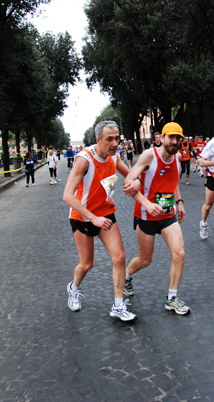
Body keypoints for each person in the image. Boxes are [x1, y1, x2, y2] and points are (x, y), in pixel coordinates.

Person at [62, 120, 139, 322]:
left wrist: (136, 181)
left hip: (106, 214)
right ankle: (74, 288)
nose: (115, 144)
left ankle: (119, 305)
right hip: (83, 216)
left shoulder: (114, 157)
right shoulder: (84, 159)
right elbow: (68, 196)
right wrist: (92, 218)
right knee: (87, 264)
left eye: (117, 139)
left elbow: (130, 175)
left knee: (120, 257)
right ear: (98, 140)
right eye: (109, 139)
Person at [122, 122, 190, 315]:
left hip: (168, 214)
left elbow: (174, 181)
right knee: (145, 260)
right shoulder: (149, 155)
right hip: (146, 215)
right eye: (172, 137)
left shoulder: (176, 158)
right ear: (162, 138)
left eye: (179, 138)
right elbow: (128, 184)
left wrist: (180, 202)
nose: (175, 141)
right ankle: (126, 277)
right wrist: (147, 204)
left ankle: (172, 298)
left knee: (179, 253)